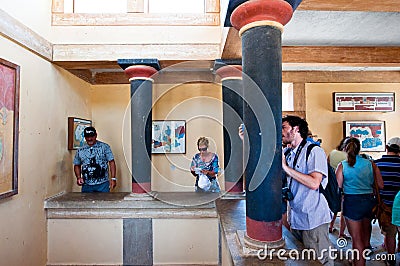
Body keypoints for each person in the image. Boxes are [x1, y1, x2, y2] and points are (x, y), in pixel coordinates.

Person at [281, 116, 333, 265]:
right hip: (296, 218)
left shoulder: (314, 151)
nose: (281, 132)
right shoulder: (289, 152)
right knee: (304, 261)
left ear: (296, 129)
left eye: (284, 127)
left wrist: (286, 168)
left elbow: (314, 183)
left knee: (320, 260)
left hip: (313, 218)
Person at [335, 137, 384, 266]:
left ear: (345, 149)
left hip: (351, 202)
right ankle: (360, 257)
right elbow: (380, 185)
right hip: (369, 201)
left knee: (356, 239)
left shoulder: (342, 165)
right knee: (365, 234)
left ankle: (359, 262)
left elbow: (338, 186)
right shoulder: (370, 164)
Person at [374, 137, 400, 265]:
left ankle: (391, 259)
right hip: (399, 203)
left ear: (386, 148)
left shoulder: (377, 164)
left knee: (389, 234)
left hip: (386, 206)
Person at [73, 126, 117, 192]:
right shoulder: (80, 150)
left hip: (103, 185)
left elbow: (111, 162)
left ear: (96, 135)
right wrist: (78, 177)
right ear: (84, 137)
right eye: (87, 137)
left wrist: (113, 178)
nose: (90, 139)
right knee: (87, 202)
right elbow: (77, 165)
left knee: (104, 201)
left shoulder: (105, 147)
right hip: (86, 185)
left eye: (92, 136)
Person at [328, 137, 350, 239]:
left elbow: (327, 166)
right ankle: (341, 233)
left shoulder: (332, 153)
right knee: (343, 209)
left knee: (334, 206)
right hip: (345, 184)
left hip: (332, 184)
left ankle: (330, 226)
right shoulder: (349, 157)